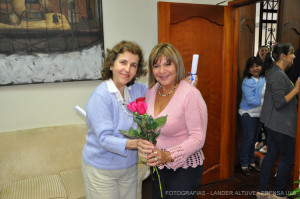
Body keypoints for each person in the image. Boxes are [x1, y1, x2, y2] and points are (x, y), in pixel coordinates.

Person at [138, 43, 208, 199]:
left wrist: (169, 155)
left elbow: (198, 138)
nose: (162, 71)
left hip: (185, 168)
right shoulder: (151, 91)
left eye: (167, 64)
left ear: (177, 64)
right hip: (158, 165)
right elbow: (150, 125)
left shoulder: (190, 94)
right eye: (156, 66)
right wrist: (144, 140)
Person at [81, 40, 148, 199]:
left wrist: (183, 85)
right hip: (102, 171)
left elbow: (161, 91)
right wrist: (136, 143)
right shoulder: (101, 96)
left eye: (133, 65)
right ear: (111, 65)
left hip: (129, 167)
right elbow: (104, 139)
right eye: (123, 62)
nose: (127, 69)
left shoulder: (136, 89)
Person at [256, 43, 299, 199]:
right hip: (281, 125)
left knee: (272, 155)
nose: (294, 56)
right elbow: (280, 102)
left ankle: (263, 190)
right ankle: (279, 193)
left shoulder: (276, 72)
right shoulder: (278, 75)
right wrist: (296, 90)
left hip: (275, 123)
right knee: (287, 158)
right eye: (292, 53)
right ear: (283, 56)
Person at [238, 56, 266, 176]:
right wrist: (267, 101)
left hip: (259, 114)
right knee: (249, 140)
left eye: (258, 65)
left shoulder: (264, 79)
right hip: (247, 114)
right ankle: (244, 164)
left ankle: (251, 162)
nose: (255, 68)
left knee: (254, 140)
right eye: (252, 66)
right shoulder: (247, 81)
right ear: (248, 69)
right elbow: (252, 101)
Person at [255, 46, 269, 154]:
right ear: (258, 52)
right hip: (258, 96)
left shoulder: (270, 64)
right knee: (258, 121)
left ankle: (267, 144)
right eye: (261, 51)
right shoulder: (256, 63)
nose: (263, 52)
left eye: (265, 50)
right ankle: (259, 140)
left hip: (267, 96)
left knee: (265, 122)